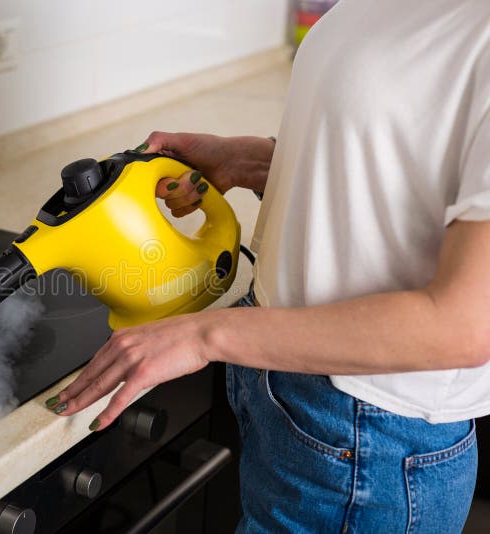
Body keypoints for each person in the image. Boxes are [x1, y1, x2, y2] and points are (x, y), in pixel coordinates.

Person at [45, 0, 490, 532]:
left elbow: (463, 325)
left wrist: (204, 335)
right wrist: (255, 161)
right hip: (296, 395)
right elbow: (408, 155)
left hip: (369, 440)